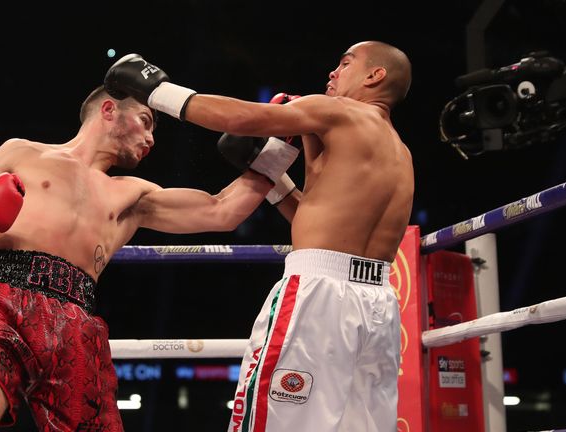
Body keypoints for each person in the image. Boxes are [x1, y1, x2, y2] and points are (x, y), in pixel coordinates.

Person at [0, 85, 300, 432]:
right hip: (0, 301)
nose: (152, 138)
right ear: (109, 110)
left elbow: (222, 211)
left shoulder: (132, 195)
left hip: (76, 319)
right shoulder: (21, 152)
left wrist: (278, 148)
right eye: (146, 121)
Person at [104, 40, 414, 432]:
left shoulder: (337, 111)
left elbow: (241, 119)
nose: (333, 73)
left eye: (345, 63)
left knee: (277, 422)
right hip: (379, 304)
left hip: (320, 295)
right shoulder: (399, 151)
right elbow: (325, 225)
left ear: (375, 75)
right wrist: (271, 177)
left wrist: (156, 90)